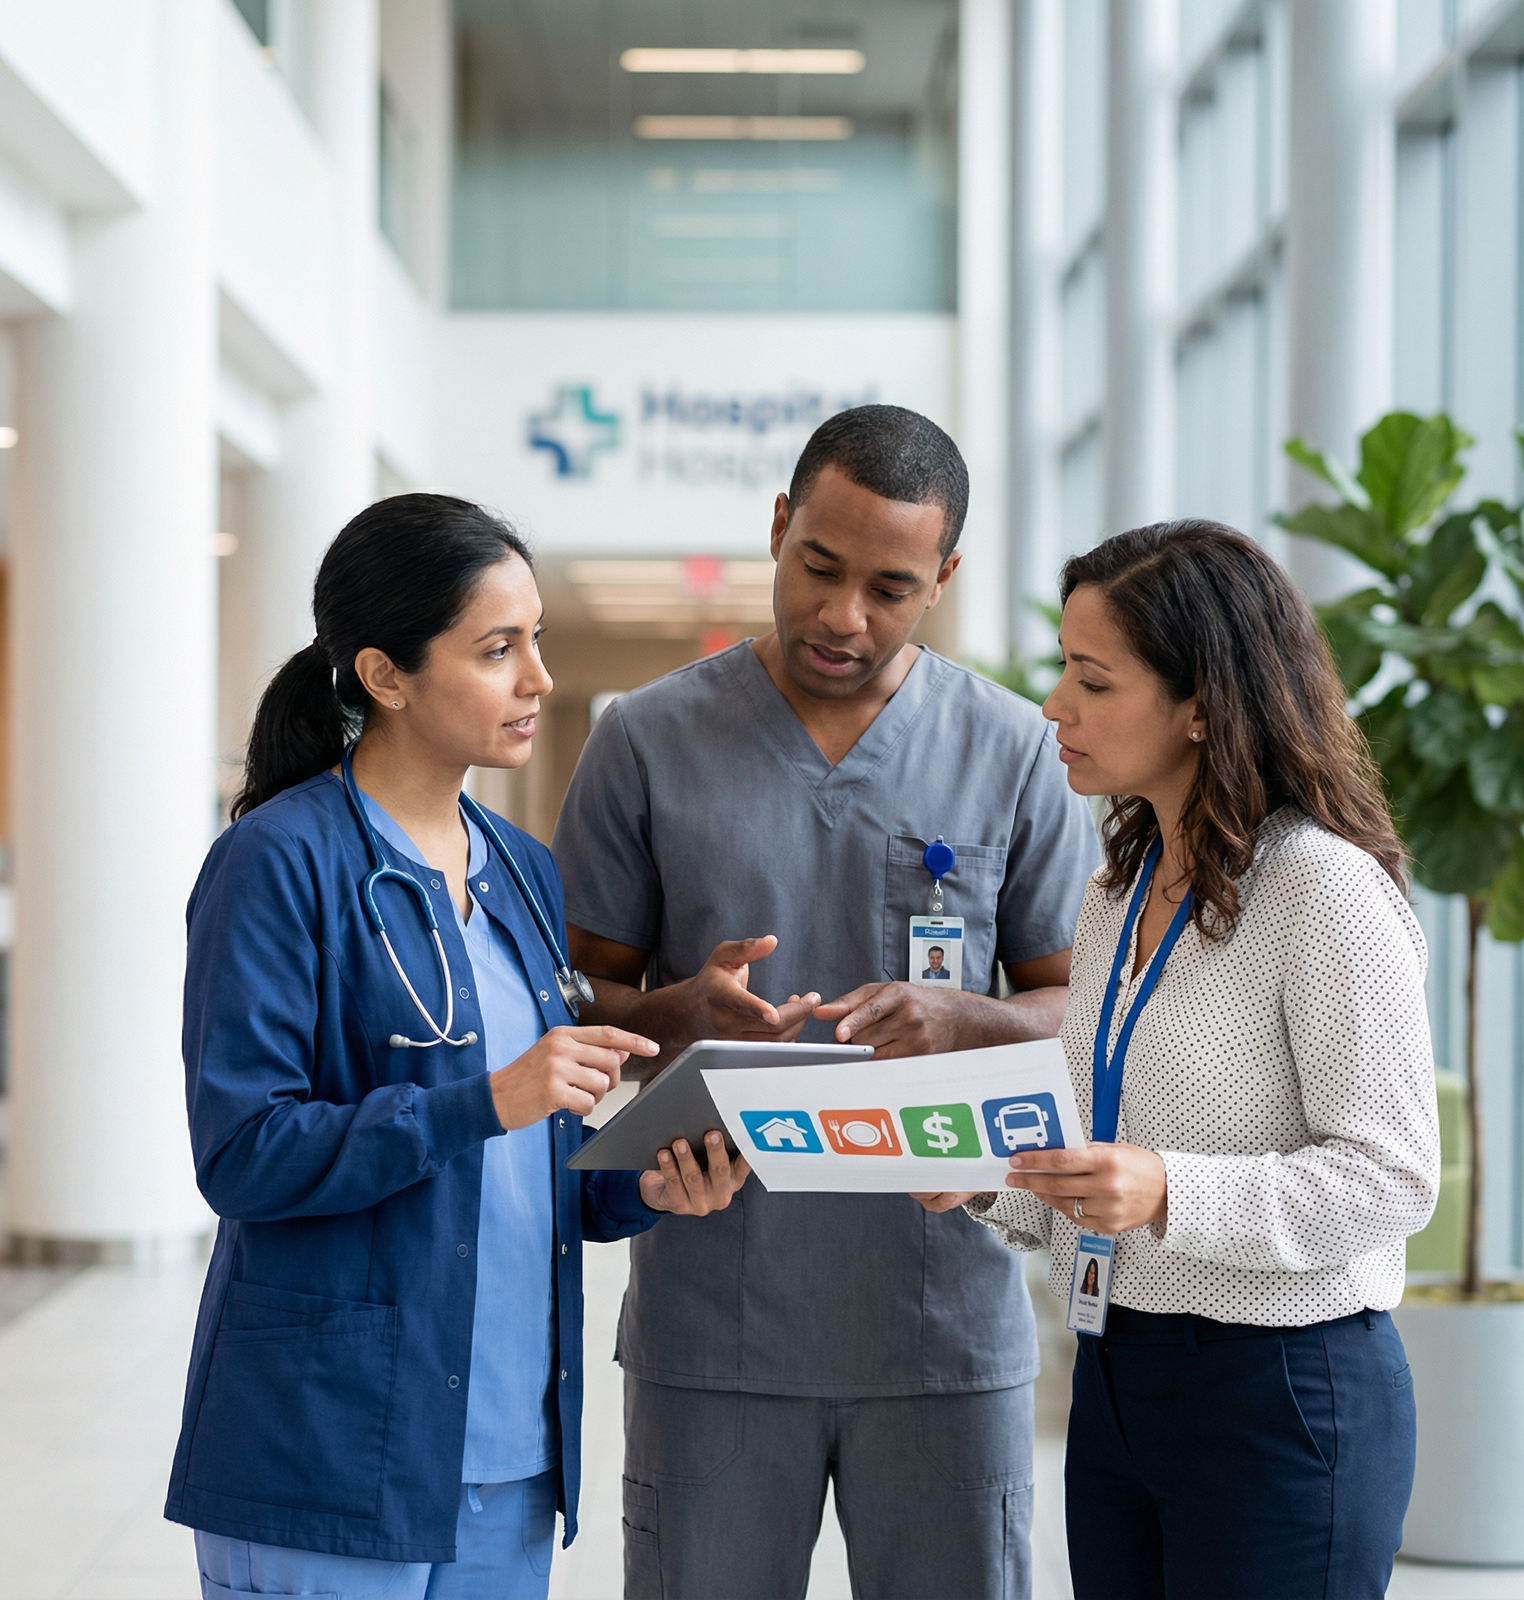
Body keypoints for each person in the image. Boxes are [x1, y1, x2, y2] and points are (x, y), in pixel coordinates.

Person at [552, 405, 1099, 1600]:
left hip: (942, 1320)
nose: (844, 616)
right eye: (819, 567)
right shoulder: (642, 742)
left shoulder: (1014, 753)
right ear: (778, 526)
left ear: (945, 577)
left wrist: (973, 1020)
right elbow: (569, 1002)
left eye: (891, 587)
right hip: (716, 1312)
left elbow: (1080, 1008)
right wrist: (675, 1011)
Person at [165, 494, 748, 1600]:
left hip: (508, 1457)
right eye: (497, 648)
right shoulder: (278, 863)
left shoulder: (521, 871)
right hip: (328, 1448)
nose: (536, 675)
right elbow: (241, 1150)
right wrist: (480, 1099)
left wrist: (653, 1180)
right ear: (385, 673)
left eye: (535, 639)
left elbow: (534, 1175)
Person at [915, 519, 1439, 1600]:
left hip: (1280, 1390)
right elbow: (1105, 1131)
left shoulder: (1322, 892)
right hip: (1115, 1370)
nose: (1054, 705)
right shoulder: (1118, 890)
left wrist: (1166, 1189)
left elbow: (1394, 1178)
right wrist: (995, 1185)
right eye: (1064, 669)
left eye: (1092, 680)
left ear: (1203, 703)